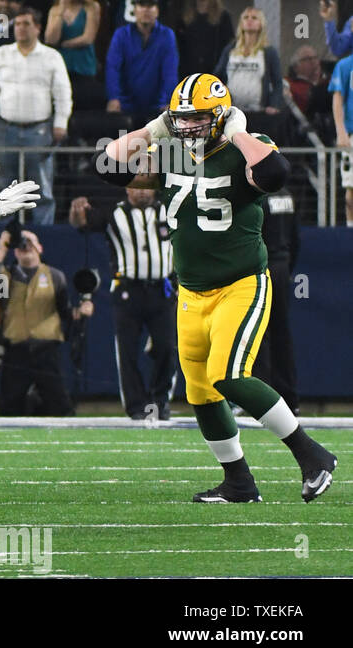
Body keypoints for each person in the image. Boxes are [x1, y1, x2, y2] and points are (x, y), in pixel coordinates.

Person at [98, 73, 337, 503]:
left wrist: (238, 132)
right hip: (191, 291)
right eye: (181, 118)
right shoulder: (173, 153)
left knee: (228, 376)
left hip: (240, 284)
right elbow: (109, 166)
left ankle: (312, 455)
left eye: (198, 118)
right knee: (199, 391)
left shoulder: (246, 147)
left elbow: (275, 173)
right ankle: (239, 482)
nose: (188, 126)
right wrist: (154, 128)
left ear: (221, 115)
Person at [69, 188, 176, 420]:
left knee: (168, 347)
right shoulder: (114, 213)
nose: (142, 190)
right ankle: (136, 406)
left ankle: (160, 401)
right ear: (127, 187)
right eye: (136, 184)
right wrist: (76, 211)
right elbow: (81, 224)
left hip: (162, 289)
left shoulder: (169, 210)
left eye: (146, 183)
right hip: (128, 290)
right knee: (127, 351)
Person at [0, 8, 71, 226]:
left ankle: (42, 233)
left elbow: (63, 93)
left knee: (41, 187)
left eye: (26, 24)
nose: (20, 28)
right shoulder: (2, 54)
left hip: (40, 130)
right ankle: (0, 233)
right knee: (4, 184)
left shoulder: (52, 57)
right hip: (5, 128)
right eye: (17, 24)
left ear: (38, 28)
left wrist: (61, 122)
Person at [0, 228, 93, 416]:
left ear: (40, 248)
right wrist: (2, 248)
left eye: (30, 241)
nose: (25, 245)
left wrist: (81, 312)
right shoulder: (6, 276)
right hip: (16, 348)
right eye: (21, 243)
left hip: (46, 349)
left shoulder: (54, 276)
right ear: (15, 250)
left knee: (60, 405)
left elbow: (65, 312)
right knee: (9, 407)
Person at [251, 188, 299, 413]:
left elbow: (253, 235)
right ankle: (289, 398)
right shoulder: (287, 195)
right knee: (283, 333)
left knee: (260, 333)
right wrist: (287, 266)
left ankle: (264, 400)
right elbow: (296, 238)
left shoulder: (259, 197)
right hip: (282, 265)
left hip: (262, 265)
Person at [213, 7, 285, 142]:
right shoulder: (230, 49)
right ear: (241, 23)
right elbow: (217, 77)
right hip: (232, 111)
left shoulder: (268, 52)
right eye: (246, 17)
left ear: (261, 24)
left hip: (259, 112)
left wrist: (274, 104)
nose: (250, 20)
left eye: (254, 18)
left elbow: (277, 82)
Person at [104, 0, 179, 126]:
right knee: (121, 132)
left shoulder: (167, 35)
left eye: (151, 5)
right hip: (125, 105)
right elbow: (112, 68)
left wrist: (168, 100)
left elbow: (170, 72)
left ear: (157, 10)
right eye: (142, 5)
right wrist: (114, 97)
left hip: (157, 106)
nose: (146, 10)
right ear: (134, 10)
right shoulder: (121, 35)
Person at [44, 0, 101, 111]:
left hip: (84, 68)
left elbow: (88, 38)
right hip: (62, 69)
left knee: (84, 110)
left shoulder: (91, 7)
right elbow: (51, 40)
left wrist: (63, 44)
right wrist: (61, 11)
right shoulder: (55, 10)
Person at [173, 0, 232, 80]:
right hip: (188, 75)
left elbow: (228, 48)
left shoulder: (223, 17)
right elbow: (179, 48)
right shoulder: (183, 18)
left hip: (215, 75)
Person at [333, 52, 353, 224]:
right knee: (351, 187)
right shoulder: (345, 65)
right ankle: (350, 228)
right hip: (351, 135)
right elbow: (338, 98)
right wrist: (341, 132)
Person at [286, 46, 329, 118]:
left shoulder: (330, 80)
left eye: (315, 57)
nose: (313, 61)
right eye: (307, 59)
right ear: (296, 67)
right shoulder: (290, 86)